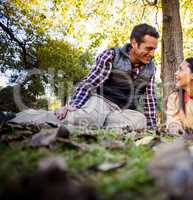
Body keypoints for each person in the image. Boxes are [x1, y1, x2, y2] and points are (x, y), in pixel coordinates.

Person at [10, 23, 159, 130]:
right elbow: (90, 82)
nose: (152, 54)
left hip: (123, 110)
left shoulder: (151, 68)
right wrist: (73, 105)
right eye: (149, 48)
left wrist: (152, 127)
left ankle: (97, 124)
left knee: (140, 121)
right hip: (102, 101)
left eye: (154, 49)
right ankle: (17, 117)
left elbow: (150, 99)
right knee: (85, 118)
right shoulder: (112, 56)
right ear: (134, 43)